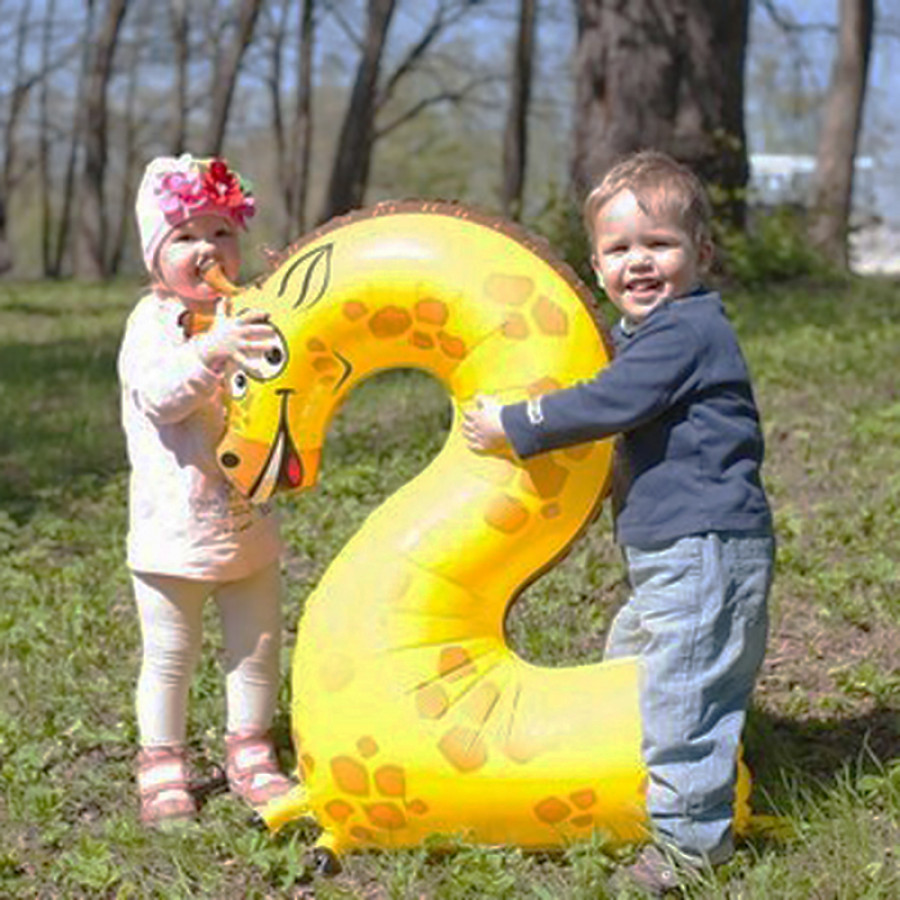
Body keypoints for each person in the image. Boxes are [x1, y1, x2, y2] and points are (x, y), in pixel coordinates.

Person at [462, 150, 774, 895]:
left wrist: (517, 423)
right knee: (632, 668)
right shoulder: (654, 334)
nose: (639, 262)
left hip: (704, 549)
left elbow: (610, 402)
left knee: (680, 699)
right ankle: (629, 787)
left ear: (701, 253)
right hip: (674, 553)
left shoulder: (685, 331)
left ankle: (690, 846)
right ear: (596, 264)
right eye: (619, 248)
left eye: (659, 244)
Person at [119, 154, 293, 828]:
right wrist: (211, 350)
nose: (207, 249)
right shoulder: (151, 323)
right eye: (186, 236)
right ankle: (162, 760)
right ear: (155, 256)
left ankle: (249, 748)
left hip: (247, 523)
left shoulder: (244, 312)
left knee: (256, 647)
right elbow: (160, 397)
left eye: (222, 233)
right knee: (170, 653)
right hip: (173, 531)